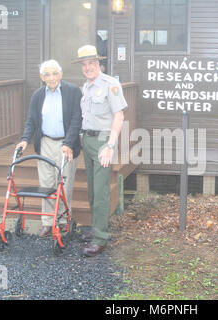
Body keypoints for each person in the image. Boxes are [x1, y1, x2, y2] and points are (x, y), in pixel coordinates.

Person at [15, 59, 82, 237]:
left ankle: (62, 220)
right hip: (45, 143)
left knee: (64, 184)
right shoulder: (38, 95)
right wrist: (25, 140)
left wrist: (68, 143)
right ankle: (47, 221)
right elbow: (31, 120)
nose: (51, 78)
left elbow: (77, 119)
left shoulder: (73, 91)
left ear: (60, 74)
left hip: (65, 144)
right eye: (47, 74)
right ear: (41, 77)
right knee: (46, 184)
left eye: (54, 73)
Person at [71, 45, 127, 257]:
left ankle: (101, 238)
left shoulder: (110, 84)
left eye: (91, 63)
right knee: (93, 188)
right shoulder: (85, 87)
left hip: (104, 141)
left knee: (101, 191)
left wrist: (110, 146)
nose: (88, 68)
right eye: (84, 65)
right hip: (89, 140)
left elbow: (119, 116)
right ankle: (97, 229)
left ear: (99, 64)